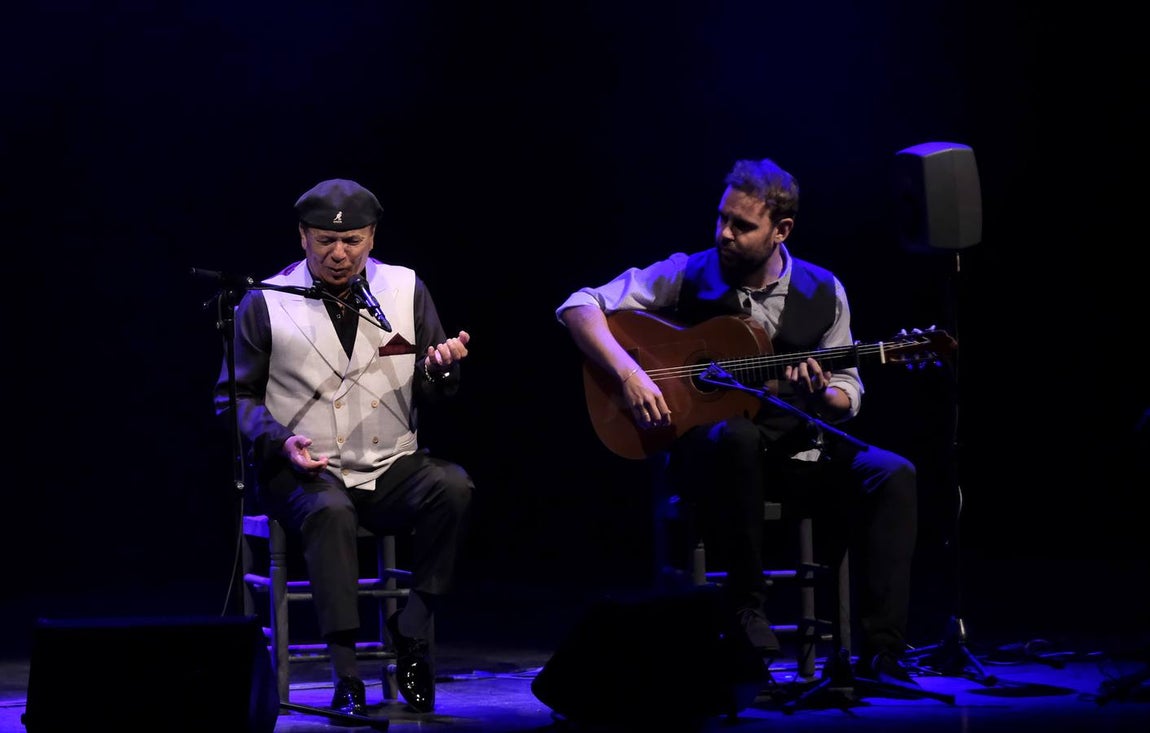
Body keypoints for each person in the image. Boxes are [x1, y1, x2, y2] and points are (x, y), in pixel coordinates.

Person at [555, 157, 920, 687]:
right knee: (736, 436)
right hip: (715, 465)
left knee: (893, 473)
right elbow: (579, 305)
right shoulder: (686, 272)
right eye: (722, 218)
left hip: (798, 453)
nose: (724, 233)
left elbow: (848, 391)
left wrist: (822, 394)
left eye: (742, 226)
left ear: (781, 231)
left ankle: (884, 651)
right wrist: (631, 373)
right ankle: (745, 608)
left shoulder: (825, 291)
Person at [214, 178, 474, 717]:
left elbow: (431, 379)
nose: (339, 254)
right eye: (325, 241)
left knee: (453, 486)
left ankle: (412, 631)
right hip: (305, 470)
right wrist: (282, 442)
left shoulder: (405, 289)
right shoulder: (265, 301)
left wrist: (442, 371)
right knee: (330, 510)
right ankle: (347, 675)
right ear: (303, 238)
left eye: (352, 241)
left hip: (388, 464)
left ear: (372, 238)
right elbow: (234, 398)